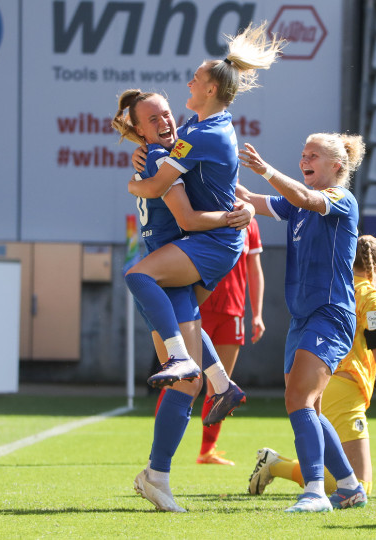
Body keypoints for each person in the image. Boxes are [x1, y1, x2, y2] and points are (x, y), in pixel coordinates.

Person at [234, 132, 376, 512]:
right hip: (303, 317)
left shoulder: (341, 198)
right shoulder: (296, 205)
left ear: (337, 167)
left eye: (314, 156)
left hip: (330, 314)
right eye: (303, 154)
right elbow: (249, 200)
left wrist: (266, 169)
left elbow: (306, 197)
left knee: (299, 400)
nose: (305, 159)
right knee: (310, 407)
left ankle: (314, 493)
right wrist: (206, 173)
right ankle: (351, 486)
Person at [124, 22, 284, 398]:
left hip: (210, 239)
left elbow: (165, 193)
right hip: (207, 238)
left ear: (211, 89)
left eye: (195, 78)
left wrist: (132, 183)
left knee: (138, 278)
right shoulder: (200, 126)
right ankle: (222, 386)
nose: (189, 84)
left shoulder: (199, 134)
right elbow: (186, 162)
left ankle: (183, 362)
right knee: (184, 318)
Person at [112, 89, 250, 512]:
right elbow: (188, 216)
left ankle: (157, 474)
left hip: (170, 269)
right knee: (185, 378)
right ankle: (157, 473)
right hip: (164, 269)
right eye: (153, 119)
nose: (165, 122)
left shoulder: (167, 154)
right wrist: (234, 214)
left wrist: (242, 203)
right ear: (138, 128)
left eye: (167, 114)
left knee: (188, 382)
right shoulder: (157, 159)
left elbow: (212, 178)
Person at [247, 234, 376, 495]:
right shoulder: (371, 298)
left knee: (342, 475)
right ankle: (275, 465)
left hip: (318, 380)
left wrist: (374, 377)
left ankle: (277, 465)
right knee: (358, 486)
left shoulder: (331, 288)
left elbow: (345, 344)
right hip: (344, 393)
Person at [196, 217, 265, 466]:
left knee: (220, 384)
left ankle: (207, 450)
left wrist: (257, 313)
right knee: (184, 381)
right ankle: (160, 448)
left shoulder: (251, 220)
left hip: (233, 311)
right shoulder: (204, 208)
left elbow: (254, 269)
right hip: (199, 306)